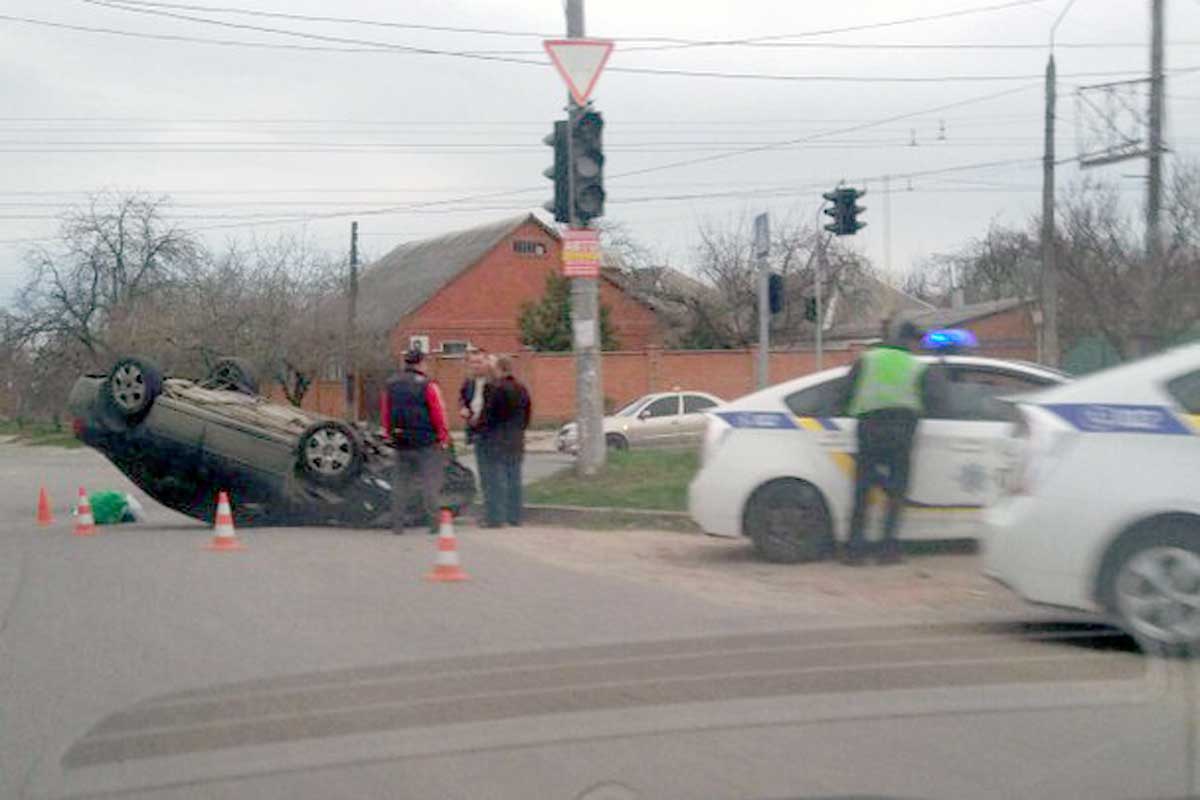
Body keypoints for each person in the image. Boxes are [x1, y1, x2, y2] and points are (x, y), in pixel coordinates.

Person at [839, 319, 940, 566]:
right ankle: (887, 550)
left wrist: (849, 413)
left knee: (862, 490)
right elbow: (932, 400)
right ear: (912, 342)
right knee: (897, 491)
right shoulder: (917, 367)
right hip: (901, 430)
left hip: (869, 427)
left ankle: (855, 551)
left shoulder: (868, 359)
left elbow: (845, 391)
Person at [380, 348, 451, 535]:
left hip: (401, 441)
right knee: (430, 483)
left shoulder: (391, 385)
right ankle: (434, 523)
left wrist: (389, 434)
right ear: (421, 363)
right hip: (426, 442)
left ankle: (397, 523)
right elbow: (438, 412)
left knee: (401, 485)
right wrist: (443, 437)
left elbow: (386, 412)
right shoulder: (428, 385)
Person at [478, 355, 531, 528]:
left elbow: (488, 416)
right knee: (514, 479)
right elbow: (526, 416)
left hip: (496, 439)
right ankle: (515, 516)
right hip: (516, 439)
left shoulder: (494, 389)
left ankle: (496, 518)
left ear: (499, 368)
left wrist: (481, 429)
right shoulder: (522, 389)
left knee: (496, 480)